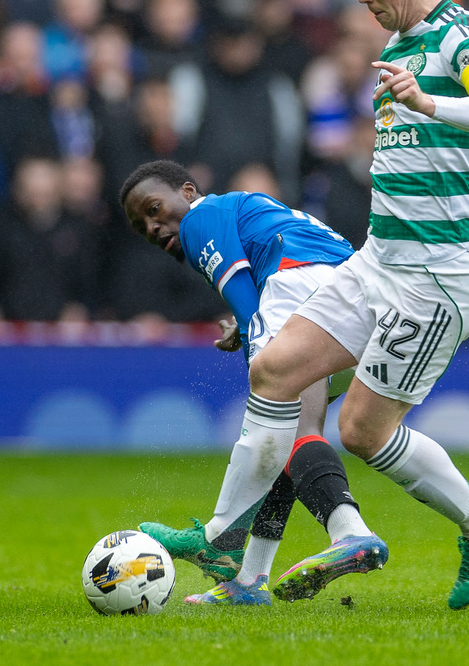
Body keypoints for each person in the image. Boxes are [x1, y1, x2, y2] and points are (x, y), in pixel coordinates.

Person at [145, 0, 469, 611]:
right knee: (273, 367)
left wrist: (426, 98)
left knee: (362, 430)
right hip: (379, 258)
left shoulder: (462, 34)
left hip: (434, 279)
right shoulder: (400, 42)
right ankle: (226, 541)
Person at [121, 160, 385, 607]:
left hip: (303, 284)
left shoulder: (201, 218)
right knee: (289, 436)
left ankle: (330, 535)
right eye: (141, 225)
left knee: (275, 413)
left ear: (187, 192)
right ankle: (248, 581)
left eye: (153, 208)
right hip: (359, 301)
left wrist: (255, 345)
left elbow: (248, 305)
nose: (152, 226)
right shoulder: (242, 211)